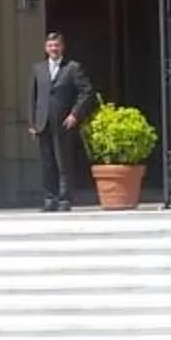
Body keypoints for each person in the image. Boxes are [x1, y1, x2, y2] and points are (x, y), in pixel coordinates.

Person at [26, 29, 99, 213]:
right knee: (47, 162)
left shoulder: (73, 68)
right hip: (43, 122)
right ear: (45, 48)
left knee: (63, 161)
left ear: (62, 47)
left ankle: (65, 199)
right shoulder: (38, 69)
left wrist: (75, 114)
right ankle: (50, 198)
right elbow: (32, 97)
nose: (53, 48)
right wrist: (32, 123)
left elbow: (87, 92)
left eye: (57, 45)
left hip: (64, 122)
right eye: (50, 45)